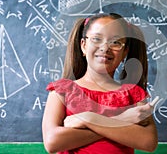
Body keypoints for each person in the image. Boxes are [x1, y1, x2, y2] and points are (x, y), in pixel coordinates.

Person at [42, 13, 158, 154]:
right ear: (83, 46)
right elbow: (52, 142)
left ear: (124, 52)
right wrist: (121, 120)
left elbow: (148, 142)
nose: (105, 48)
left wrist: (87, 119)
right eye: (97, 39)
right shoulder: (62, 91)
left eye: (115, 42)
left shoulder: (133, 94)